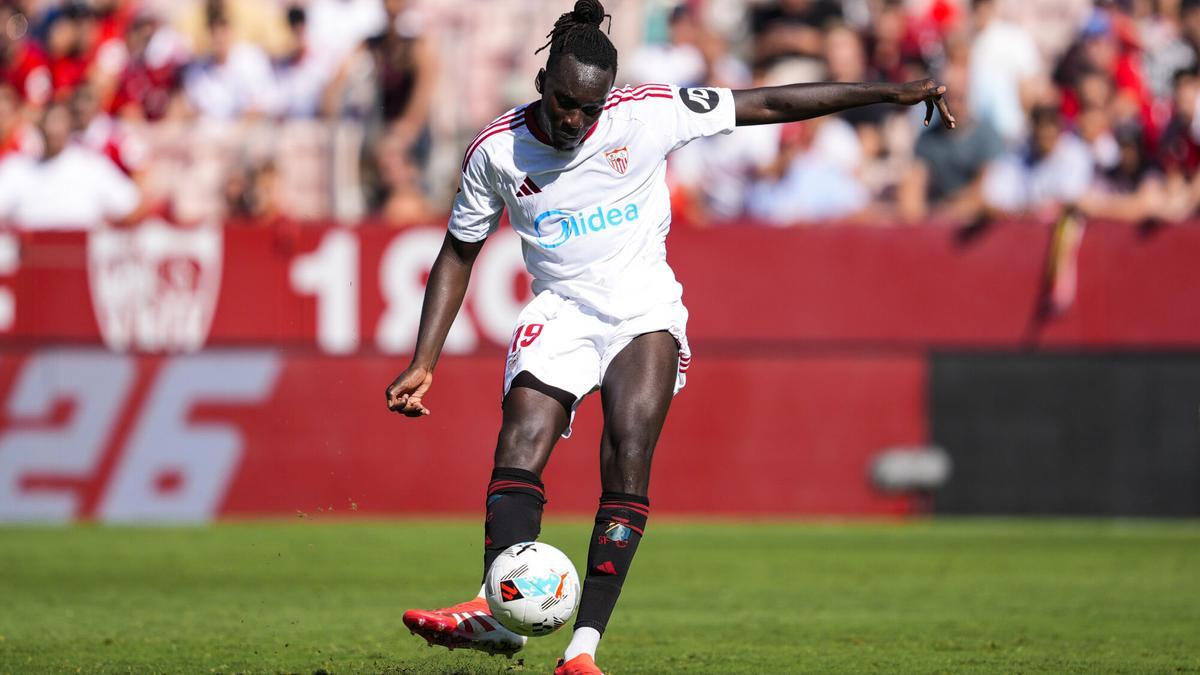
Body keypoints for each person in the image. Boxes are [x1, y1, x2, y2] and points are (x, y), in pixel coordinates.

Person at [384, 2, 954, 673]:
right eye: (565, 103)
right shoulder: (497, 150)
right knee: (520, 438)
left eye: (588, 109)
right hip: (562, 308)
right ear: (542, 83)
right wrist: (425, 359)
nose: (575, 120)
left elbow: (765, 103)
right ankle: (495, 609)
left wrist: (888, 92)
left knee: (627, 452)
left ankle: (583, 650)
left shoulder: (647, 111)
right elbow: (458, 251)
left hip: (642, 307)